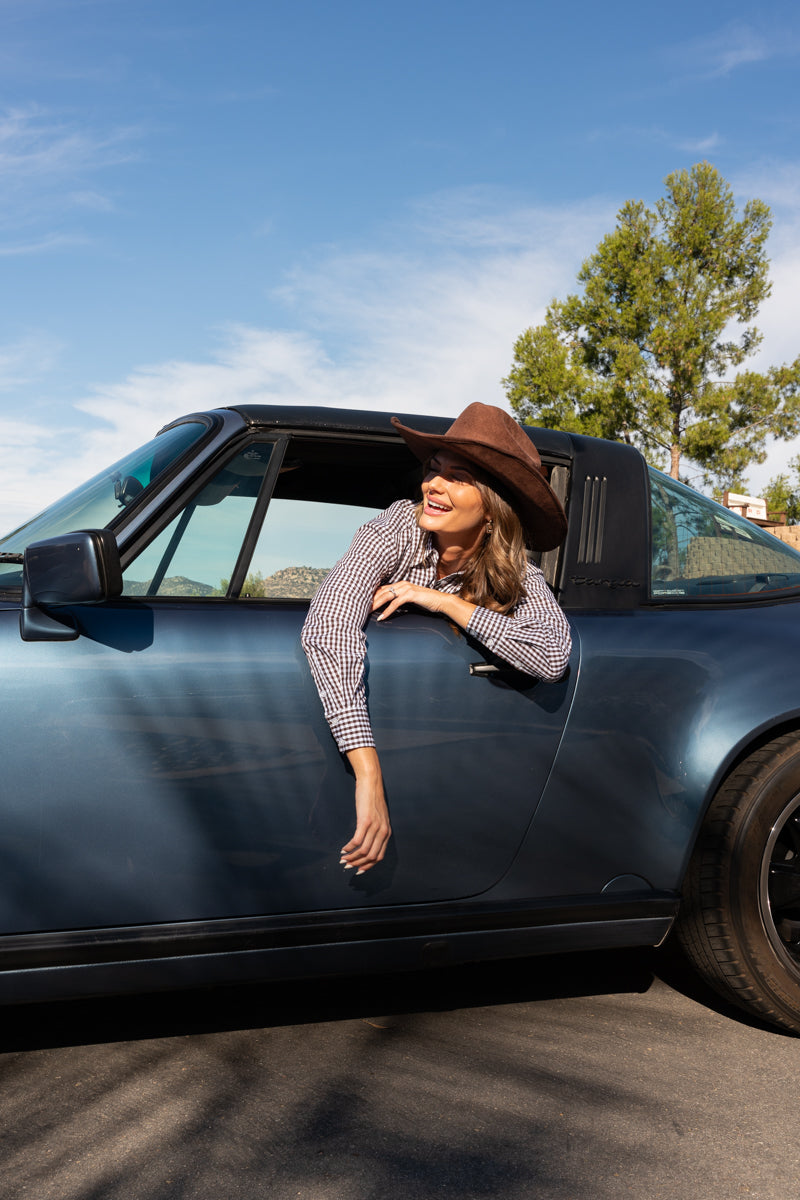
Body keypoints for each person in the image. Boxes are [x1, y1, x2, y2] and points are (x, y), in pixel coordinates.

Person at [301, 402, 572, 875]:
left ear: (493, 505)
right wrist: (368, 775)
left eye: (459, 476)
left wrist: (443, 602)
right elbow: (329, 624)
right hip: (369, 751)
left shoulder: (518, 575)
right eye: (433, 469)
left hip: (460, 765)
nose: (434, 485)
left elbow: (551, 656)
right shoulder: (394, 529)